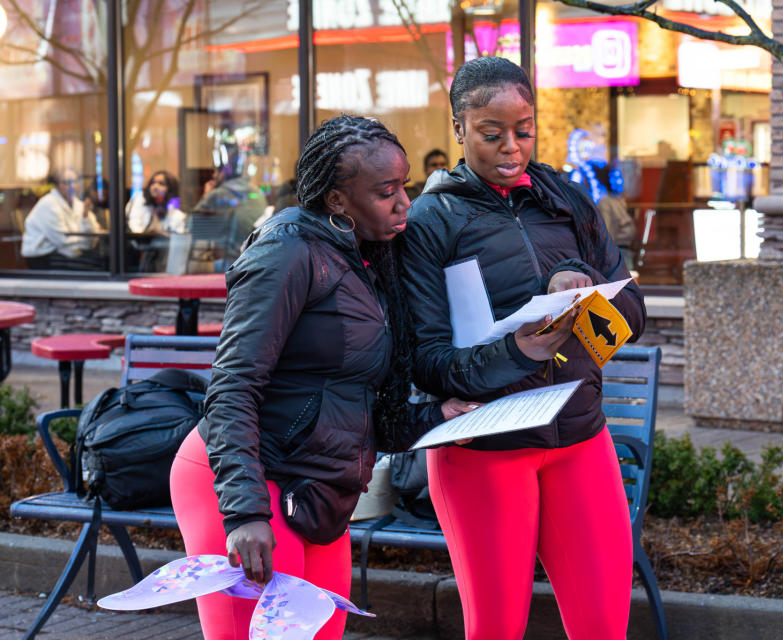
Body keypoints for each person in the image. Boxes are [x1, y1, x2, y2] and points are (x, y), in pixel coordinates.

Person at [169, 115, 476, 640]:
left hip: (320, 495)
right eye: (386, 191)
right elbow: (231, 388)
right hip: (252, 486)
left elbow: (352, 408)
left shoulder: (370, 260)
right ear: (336, 201)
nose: (405, 202)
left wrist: (435, 418)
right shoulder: (286, 252)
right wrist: (244, 513)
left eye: (405, 186)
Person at [401, 56, 647, 639]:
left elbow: (632, 312)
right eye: (492, 134)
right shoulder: (430, 221)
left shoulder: (566, 199)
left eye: (525, 130)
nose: (512, 147)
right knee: (495, 628)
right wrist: (519, 351)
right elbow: (424, 359)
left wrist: (577, 284)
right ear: (459, 128)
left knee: (604, 626)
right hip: (485, 449)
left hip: (579, 435)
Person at [193, 143, 266, 265]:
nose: (214, 176)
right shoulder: (257, 192)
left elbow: (193, 226)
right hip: (255, 258)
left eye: (216, 172)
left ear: (224, 173)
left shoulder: (217, 194)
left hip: (228, 261)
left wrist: (206, 195)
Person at [21, 168, 104, 270]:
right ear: (58, 185)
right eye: (66, 183)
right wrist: (86, 239)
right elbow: (63, 241)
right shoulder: (48, 204)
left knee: (103, 261)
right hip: (44, 256)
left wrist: (85, 216)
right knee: (96, 265)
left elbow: (92, 238)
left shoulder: (78, 204)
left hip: (68, 252)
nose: (72, 186)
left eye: (75, 181)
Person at [594, 166, 638, 271]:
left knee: (621, 283)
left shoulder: (605, 203)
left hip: (618, 251)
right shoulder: (614, 201)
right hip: (623, 249)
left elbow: (607, 232)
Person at [125, 170, 187, 234]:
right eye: (153, 183)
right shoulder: (140, 199)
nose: (155, 186)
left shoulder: (172, 208)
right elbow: (135, 226)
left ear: (170, 188)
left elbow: (178, 230)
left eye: (161, 184)